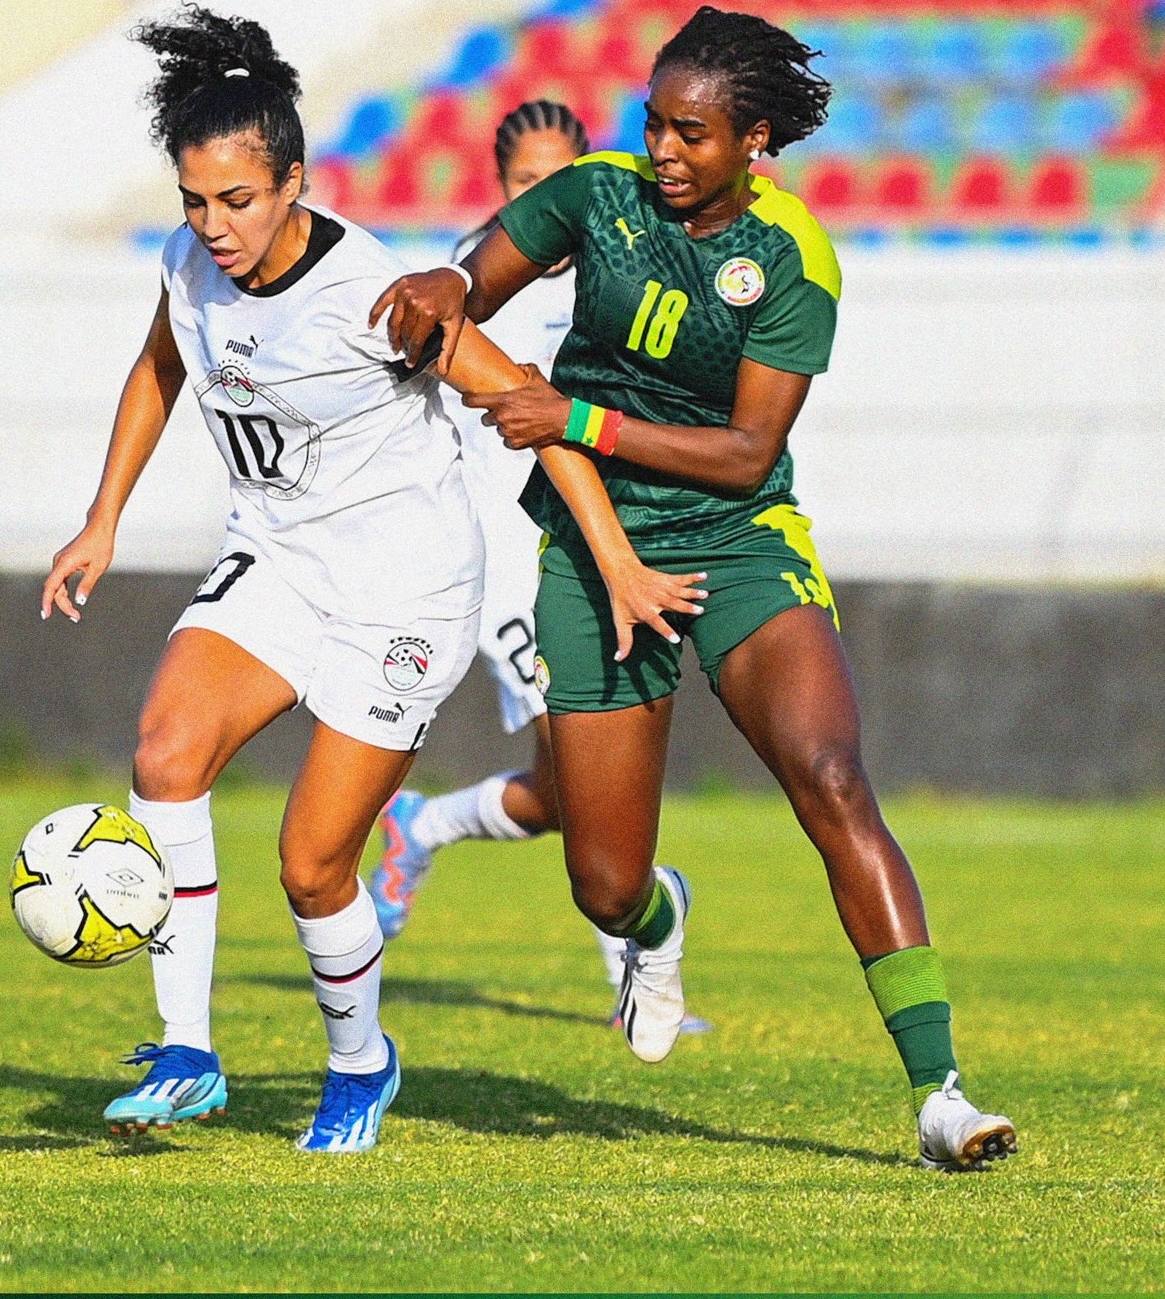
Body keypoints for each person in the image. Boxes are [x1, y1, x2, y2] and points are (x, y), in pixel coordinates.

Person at [40, 7, 699, 1153]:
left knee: (312, 866)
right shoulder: (188, 261)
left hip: (405, 587)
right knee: (164, 753)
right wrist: (101, 520)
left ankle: (361, 1062)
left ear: (294, 182)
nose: (215, 225)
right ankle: (188, 1051)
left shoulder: (378, 299)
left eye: (238, 200)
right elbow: (159, 365)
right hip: (281, 559)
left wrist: (619, 557)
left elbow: (529, 416)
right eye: (195, 202)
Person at [372, 5, 1017, 1170]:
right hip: (588, 542)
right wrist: (442, 280)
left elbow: (746, 453)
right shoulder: (597, 194)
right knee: (604, 885)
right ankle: (657, 923)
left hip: (738, 539)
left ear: (756, 140)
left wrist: (571, 416)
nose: (663, 150)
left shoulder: (791, 259)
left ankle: (941, 1095)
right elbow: (480, 277)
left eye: (693, 133)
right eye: (656, 123)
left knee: (832, 779)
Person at [369, 99, 710, 1036]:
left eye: (559, 177)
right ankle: (637, 980)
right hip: (510, 558)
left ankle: (424, 826)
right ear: (503, 185)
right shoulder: (471, 281)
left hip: (595, 535)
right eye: (527, 182)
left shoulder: (619, 261)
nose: (543, 196)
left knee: (571, 791)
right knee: (587, 767)